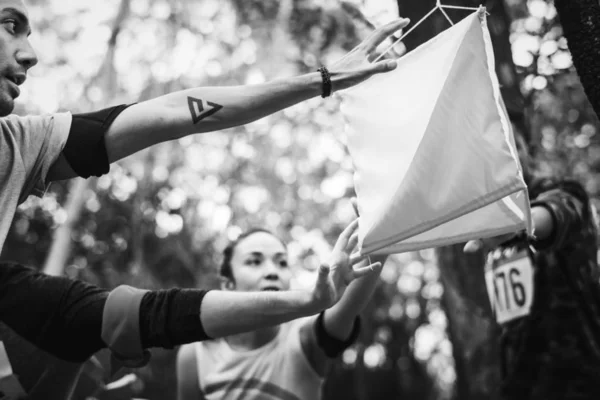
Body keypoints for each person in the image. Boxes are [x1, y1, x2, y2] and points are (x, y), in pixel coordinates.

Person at [0, 0, 405, 398]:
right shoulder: (198, 359)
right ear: (228, 279)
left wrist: (325, 78)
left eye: (281, 261)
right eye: (10, 25)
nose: (30, 54)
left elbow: (175, 111)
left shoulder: (24, 143)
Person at [176, 210, 385, 400]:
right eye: (254, 261)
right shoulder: (195, 353)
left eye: (282, 262)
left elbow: (346, 310)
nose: (272, 271)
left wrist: (381, 238)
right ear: (228, 285)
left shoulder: (303, 338)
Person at [464, 136, 600, 399]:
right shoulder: (485, 222)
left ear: (528, 149)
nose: (499, 150)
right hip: (520, 386)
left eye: (509, 139)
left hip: (579, 380)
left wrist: (521, 222)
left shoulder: (564, 190)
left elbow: (558, 210)